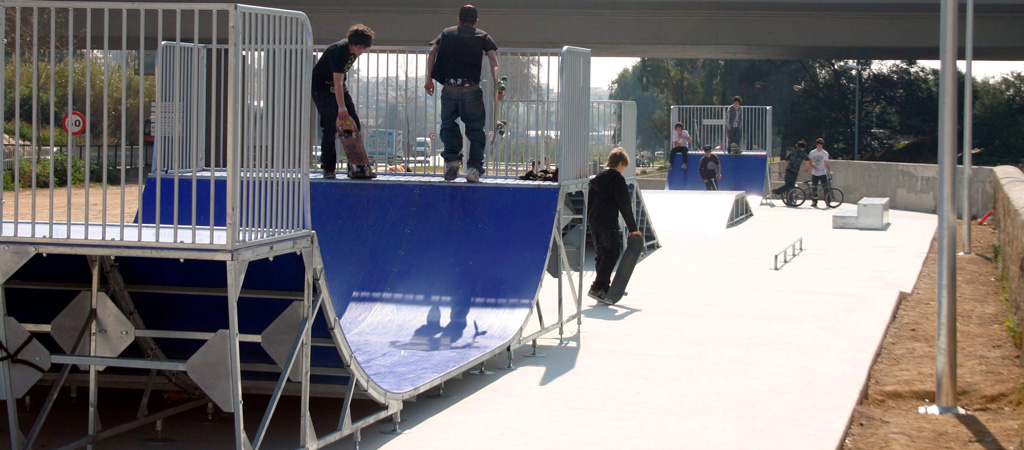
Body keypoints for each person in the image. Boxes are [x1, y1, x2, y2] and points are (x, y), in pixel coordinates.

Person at [424, 5, 503, 183]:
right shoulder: (482, 36)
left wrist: (429, 79)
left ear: (459, 20)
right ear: (475, 22)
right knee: (475, 130)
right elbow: (493, 60)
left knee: (448, 123)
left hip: (449, 89)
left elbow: (432, 51)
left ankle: (452, 159)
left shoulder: (446, 33)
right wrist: (497, 85)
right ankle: (474, 169)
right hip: (471, 91)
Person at [311, 24, 375, 179]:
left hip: (338, 85)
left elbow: (340, 83)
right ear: (354, 45)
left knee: (354, 124)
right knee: (330, 124)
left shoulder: (353, 51)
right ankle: (328, 167)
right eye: (362, 48)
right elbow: (337, 82)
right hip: (322, 87)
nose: (363, 52)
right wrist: (341, 107)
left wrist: (345, 107)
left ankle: (356, 167)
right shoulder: (339, 51)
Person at [586, 148, 641, 304]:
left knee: (601, 256)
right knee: (611, 254)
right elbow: (624, 205)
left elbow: (589, 202)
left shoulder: (597, 178)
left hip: (594, 222)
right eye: (624, 167)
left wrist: (591, 220)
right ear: (620, 163)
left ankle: (603, 288)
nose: (623, 170)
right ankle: (597, 287)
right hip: (607, 222)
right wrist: (633, 229)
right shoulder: (616, 179)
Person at [807, 137, 832, 207]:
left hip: (823, 172)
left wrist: (829, 171)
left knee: (825, 187)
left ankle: (828, 201)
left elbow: (827, 163)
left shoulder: (825, 153)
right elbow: (810, 162)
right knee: (814, 188)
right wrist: (814, 168)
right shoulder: (812, 153)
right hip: (815, 173)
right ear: (816, 145)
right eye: (818, 146)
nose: (820, 147)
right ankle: (814, 202)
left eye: (821, 146)